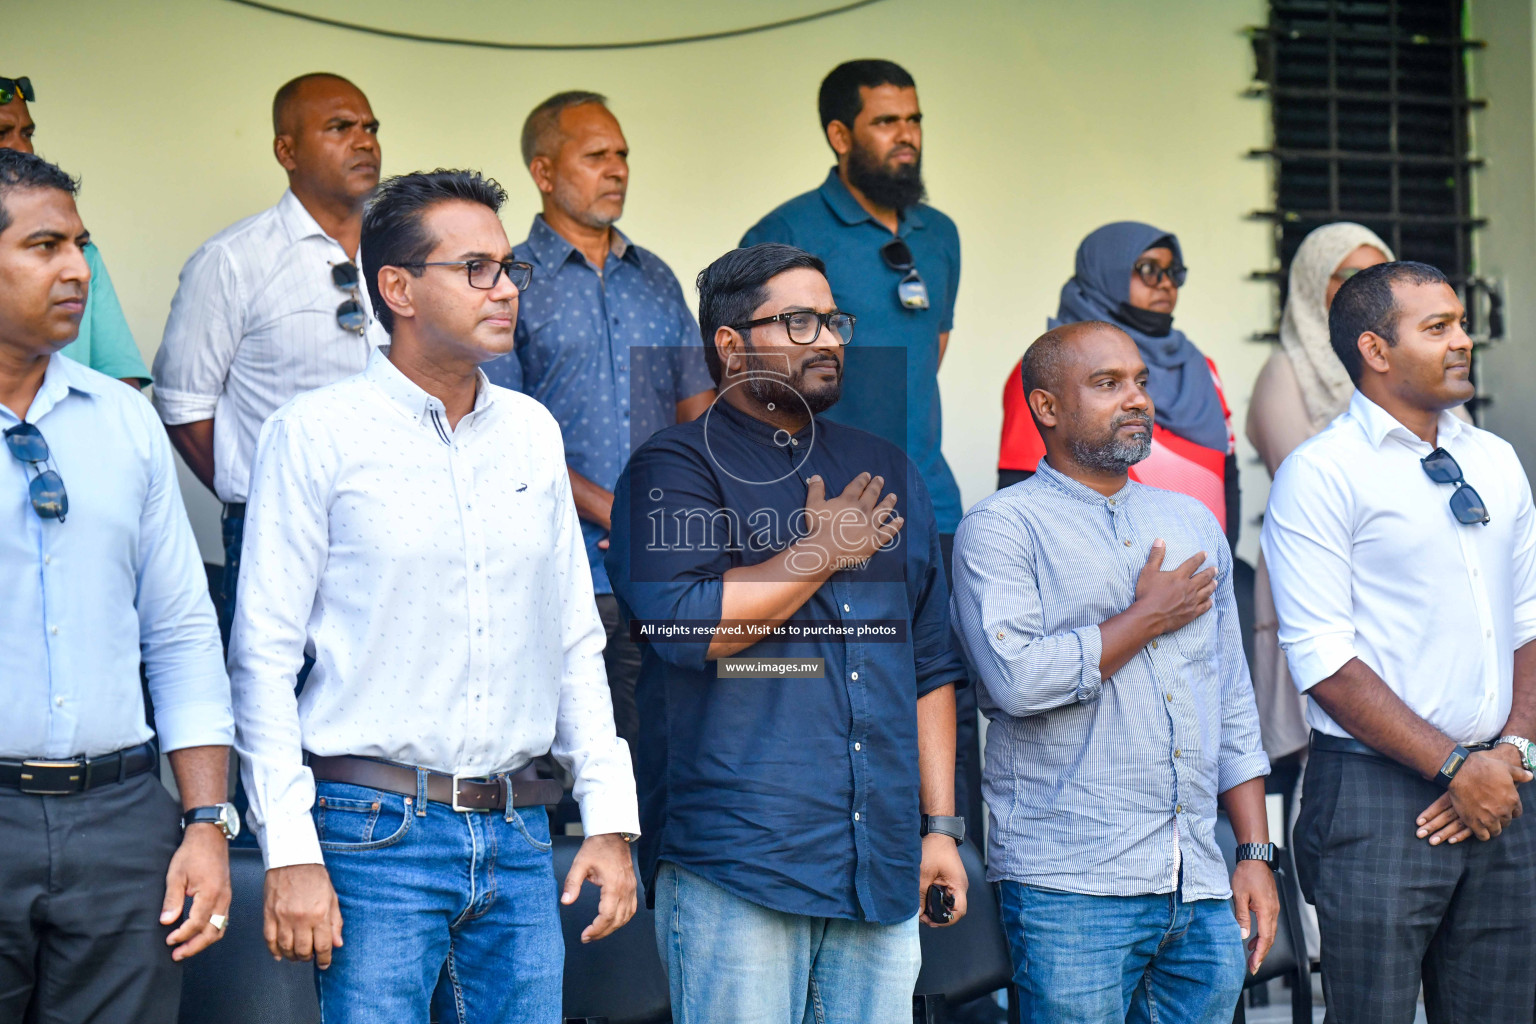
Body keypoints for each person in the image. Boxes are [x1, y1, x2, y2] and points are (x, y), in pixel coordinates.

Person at [228, 169, 640, 1023]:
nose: (505, 290)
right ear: (398, 288)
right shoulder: (316, 433)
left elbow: (573, 639)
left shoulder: (532, 432)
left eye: (509, 270)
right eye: (476, 269)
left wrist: (608, 819)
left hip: (522, 832)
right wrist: (290, 852)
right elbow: (262, 657)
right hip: (370, 833)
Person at [607, 243, 970, 1024]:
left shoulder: (884, 467)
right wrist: (821, 552)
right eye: (798, 321)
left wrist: (939, 828)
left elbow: (932, 665)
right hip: (740, 863)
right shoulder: (670, 469)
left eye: (833, 320)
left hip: (878, 864)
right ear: (731, 345)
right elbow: (687, 626)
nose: (830, 339)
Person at [953, 320, 1276, 1023]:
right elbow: (1015, 680)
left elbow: (1230, 700)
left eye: (1140, 382)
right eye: (1107, 384)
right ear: (1046, 407)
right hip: (1069, 885)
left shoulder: (1190, 521)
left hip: (1199, 881)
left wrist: (1253, 851)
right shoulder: (1003, 529)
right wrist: (1145, 618)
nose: (1136, 399)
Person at [1263, 260, 1536, 1023]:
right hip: (1378, 797)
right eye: (1438, 327)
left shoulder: (1495, 459)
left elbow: (1529, 621)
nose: (1464, 341)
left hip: (1505, 786)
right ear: (1376, 351)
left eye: (1461, 323)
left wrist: (1510, 755)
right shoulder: (1321, 474)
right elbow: (1324, 661)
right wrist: (1452, 766)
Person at [0, 148, 236, 1023]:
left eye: (83, 245)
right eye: (45, 246)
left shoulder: (125, 420)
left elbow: (177, 632)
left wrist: (207, 820)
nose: (76, 269)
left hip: (122, 821)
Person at [740, 59, 980, 828]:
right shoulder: (784, 234)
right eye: (885, 122)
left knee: (940, 691)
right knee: (838, 703)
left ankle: (944, 859)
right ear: (840, 134)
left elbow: (930, 349)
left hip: (930, 505)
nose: (906, 137)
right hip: (824, 513)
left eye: (913, 120)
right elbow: (750, 377)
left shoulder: (939, 236)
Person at [483, 91, 714, 753]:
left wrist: (677, 516)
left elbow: (696, 414)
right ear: (544, 172)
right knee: (551, 768)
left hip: (659, 572)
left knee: (655, 761)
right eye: (595, 156)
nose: (617, 169)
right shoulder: (509, 282)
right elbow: (499, 432)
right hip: (548, 567)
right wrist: (619, 512)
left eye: (622, 155)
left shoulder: (658, 280)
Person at [151, 72, 387, 644]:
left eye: (370, 127)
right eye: (340, 127)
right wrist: (258, 499)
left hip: (397, 528)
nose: (365, 141)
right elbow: (182, 406)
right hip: (276, 534)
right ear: (286, 150)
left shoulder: (404, 253)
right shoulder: (233, 260)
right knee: (280, 711)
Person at [1246, 223, 1394, 798]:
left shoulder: (1409, 367)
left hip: (1398, 581)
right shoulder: (1283, 372)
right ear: (1313, 284)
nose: (1367, 289)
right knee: (1333, 743)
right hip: (1326, 575)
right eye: (1349, 276)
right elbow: (1310, 485)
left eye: (1379, 274)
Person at [997, 222, 1240, 550]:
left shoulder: (1200, 366)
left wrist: (1221, 558)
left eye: (1174, 271)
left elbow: (1228, 471)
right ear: (1106, 275)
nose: (1166, 284)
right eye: (1149, 270)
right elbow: (1023, 489)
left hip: (1203, 569)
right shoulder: (1051, 372)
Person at [0, 74, 151, 387]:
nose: (22, 147)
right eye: (2, 132)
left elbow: (121, 384)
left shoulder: (83, 256)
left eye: (26, 133)